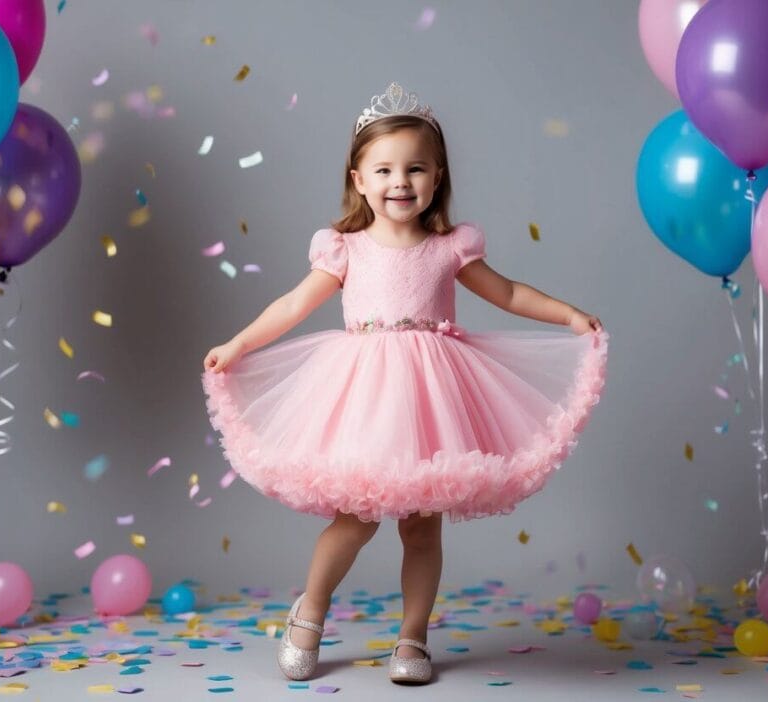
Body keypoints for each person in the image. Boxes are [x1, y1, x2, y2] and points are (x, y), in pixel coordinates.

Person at [202, 81, 608, 685]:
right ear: (358, 178)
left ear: (437, 177)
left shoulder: (450, 249)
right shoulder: (344, 249)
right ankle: (309, 612)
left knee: (423, 525)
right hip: (363, 395)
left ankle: (412, 638)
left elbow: (510, 292)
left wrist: (570, 315)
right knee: (356, 517)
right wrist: (237, 343)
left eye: (415, 169)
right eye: (385, 169)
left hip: (435, 398)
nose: (400, 181)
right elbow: (292, 306)